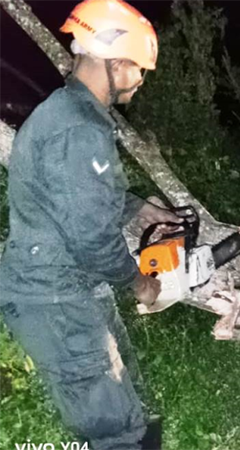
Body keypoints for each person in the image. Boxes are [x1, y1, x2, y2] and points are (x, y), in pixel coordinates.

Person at [0, 1, 180, 448]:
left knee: (128, 395)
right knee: (112, 427)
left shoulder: (70, 112)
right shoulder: (78, 128)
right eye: (139, 68)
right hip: (54, 296)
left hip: (73, 283)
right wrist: (139, 282)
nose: (141, 79)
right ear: (115, 63)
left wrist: (139, 209)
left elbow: (77, 195)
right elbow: (90, 234)